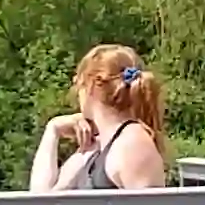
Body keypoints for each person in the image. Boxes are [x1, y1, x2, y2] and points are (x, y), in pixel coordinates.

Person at [31, 42, 174, 193]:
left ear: (92, 85)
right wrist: (52, 130)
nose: (76, 91)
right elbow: (42, 199)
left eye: (79, 83)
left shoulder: (132, 144)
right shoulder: (95, 147)